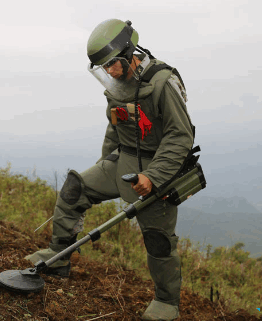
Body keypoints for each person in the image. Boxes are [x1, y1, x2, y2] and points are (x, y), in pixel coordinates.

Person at [26, 18, 195, 321]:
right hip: (124, 161)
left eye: (113, 65)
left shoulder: (162, 81)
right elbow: (115, 126)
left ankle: (167, 303)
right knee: (75, 188)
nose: (110, 72)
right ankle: (57, 257)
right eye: (104, 68)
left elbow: (180, 136)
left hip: (159, 170)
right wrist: (105, 162)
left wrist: (153, 178)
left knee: (158, 239)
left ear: (130, 54)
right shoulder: (117, 83)